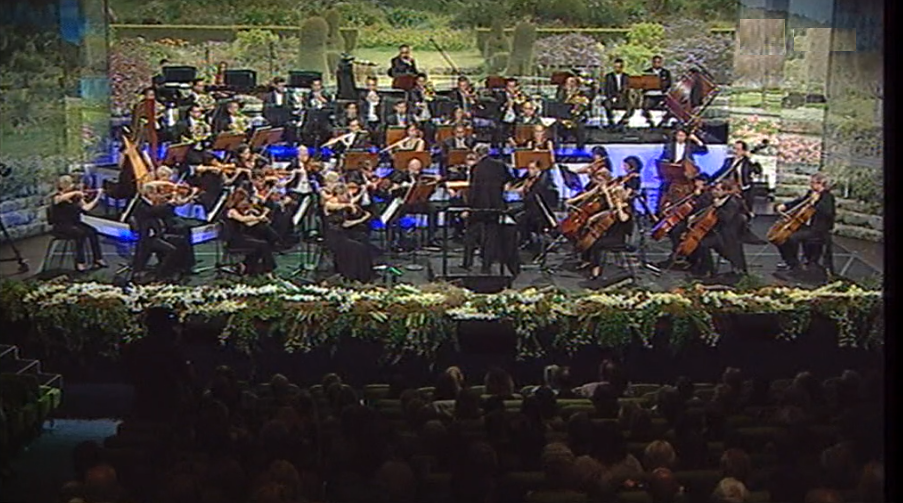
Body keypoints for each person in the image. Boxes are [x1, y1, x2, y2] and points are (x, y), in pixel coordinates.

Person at [462, 144, 516, 274]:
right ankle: (486, 266)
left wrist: (468, 208)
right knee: (491, 236)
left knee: (472, 233)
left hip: (478, 206)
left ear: (477, 154)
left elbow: (474, 190)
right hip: (496, 205)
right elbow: (510, 179)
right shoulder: (500, 165)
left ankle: (467, 262)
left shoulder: (476, 168)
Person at [683, 179, 748, 278]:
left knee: (702, 244)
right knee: (698, 241)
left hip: (726, 235)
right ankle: (702, 268)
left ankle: (707, 271)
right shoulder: (717, 200)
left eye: (718, 190)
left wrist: (718, 207)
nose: (714, 191)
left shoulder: (733, 202)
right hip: (717, 231)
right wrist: (695, 218)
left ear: (726, 191)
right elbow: (705, 211)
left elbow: (725, 218)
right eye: (715, 189)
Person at [774, 172, 835, 274]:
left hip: (817, 230)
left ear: (820, 184)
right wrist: (785, 206)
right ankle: (790, 261)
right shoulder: (811, 193)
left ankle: (795, 264)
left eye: (813, 183)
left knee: (791, 238)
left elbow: (828, 213)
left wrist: (815, 203)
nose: (810, 185)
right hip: (805, 226)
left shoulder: (828, 197)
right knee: (781, 236)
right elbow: (800, 201)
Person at [50, 175, 107, 272]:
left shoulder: (76, 198)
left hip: (75, 223)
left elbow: (86, 208)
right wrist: (76, 192)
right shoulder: (57, 196)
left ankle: (98, 259)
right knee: (80, 234)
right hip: (61, 226)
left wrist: (97, 197)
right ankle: (80, 262)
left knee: (92, 231)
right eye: (66, 184)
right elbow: (58, 200)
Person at [322, 182, 374, 283]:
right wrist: (359, 216)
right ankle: (351, 274)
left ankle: (363, 275)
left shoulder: (344, 204)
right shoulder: (330, 204)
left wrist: (363, 217)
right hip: (334, 237)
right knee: (359, 247)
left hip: (343, 234)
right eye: (345, 194)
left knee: (363, 241)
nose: (347, 197)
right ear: (338, 195)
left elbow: (347, 222)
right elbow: (344, 222)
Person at [223, 187, 278, 276]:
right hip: (234, 240)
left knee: (262, 242)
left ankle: (247, 265)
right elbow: (242, 219)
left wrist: (261, 218)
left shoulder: (241, 210)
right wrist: (258, 217)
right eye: (244, 200)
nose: (246, 203)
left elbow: (249, 223)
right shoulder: (231, 211)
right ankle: (268, 270)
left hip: (242, 237)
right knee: (263, 245)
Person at [585, 185, 634, 280]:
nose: (613, 199)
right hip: (610, 236)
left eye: (615, 197)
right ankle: (591, 265)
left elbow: (623, 219)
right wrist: (595, 217)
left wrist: (619, 207)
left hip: (618, 239)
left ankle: (596, 270)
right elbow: (609, 211)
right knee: (593, 243)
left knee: (597, 245)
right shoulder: (615, 209)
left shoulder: (627, 209)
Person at [513, 161, 559, 255]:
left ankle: (526, 242)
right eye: (529, 168)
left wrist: (526, 191)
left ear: (538, 169)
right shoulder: (531, 179)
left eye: (532, 168)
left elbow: (535, 197)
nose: (530, 171)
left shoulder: (543, 182)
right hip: (530, 208)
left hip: (538, 212)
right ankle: (526, 241)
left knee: (519, 219)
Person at [711, 140, 762, 218]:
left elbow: (757, 171)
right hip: (728, 188)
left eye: (738, 149)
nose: (735, 151)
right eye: (734, 149)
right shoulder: (728, 160)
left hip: (744, 189)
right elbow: (720, 172)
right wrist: (710, 180)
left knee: (744, 213)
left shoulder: (748, 162)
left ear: (744, 151)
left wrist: (752, 158)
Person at [641, 55, 673, 127]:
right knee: (645, 106)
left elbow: (669, 83)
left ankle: (663, 122)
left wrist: (663, 87)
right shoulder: (647, 72)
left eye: (659, 62)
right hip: (650, 94)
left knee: (670, 108)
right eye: (655, 62)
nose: (657, 64)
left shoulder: (666, 72)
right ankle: (650, 121)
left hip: (661, 94)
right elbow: (642, 84)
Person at [602, 58, 632, 129]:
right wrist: (611, 97)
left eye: (619, 67)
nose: (617, 69)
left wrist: (623, 95)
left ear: (622, 67)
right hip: (611, 97)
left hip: (623, 97)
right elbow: (606, 89)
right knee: (607, 104)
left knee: (631, 106)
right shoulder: (608, 76)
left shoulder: (626, 76)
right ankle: (611, 121)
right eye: (615, 67)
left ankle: (622, 121)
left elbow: (628, 88)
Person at [359, 76, 383, 141]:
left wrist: (378, 101)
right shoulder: (362, 96)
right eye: (369, 85)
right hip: (367, 121)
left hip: (378, 121)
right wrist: (367, 100)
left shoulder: (381, 95)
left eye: (373, 85)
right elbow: (361, 110)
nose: (371, 87)